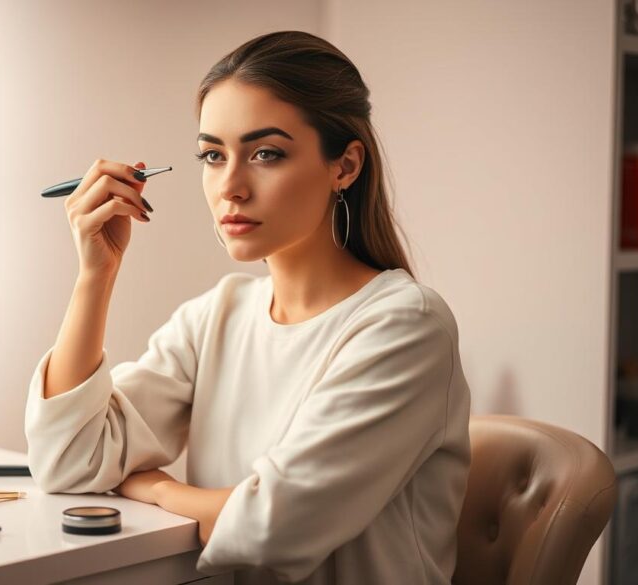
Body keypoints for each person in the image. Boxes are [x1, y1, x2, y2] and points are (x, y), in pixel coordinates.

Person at [24, 30, 471, 584]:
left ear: (345, 167)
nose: (230, 186)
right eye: (213, 155)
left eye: (266, 153)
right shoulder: (221, 313)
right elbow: (71, 462)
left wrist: (152, 483)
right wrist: (97, 273)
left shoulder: (405, 326)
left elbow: (270, 529)